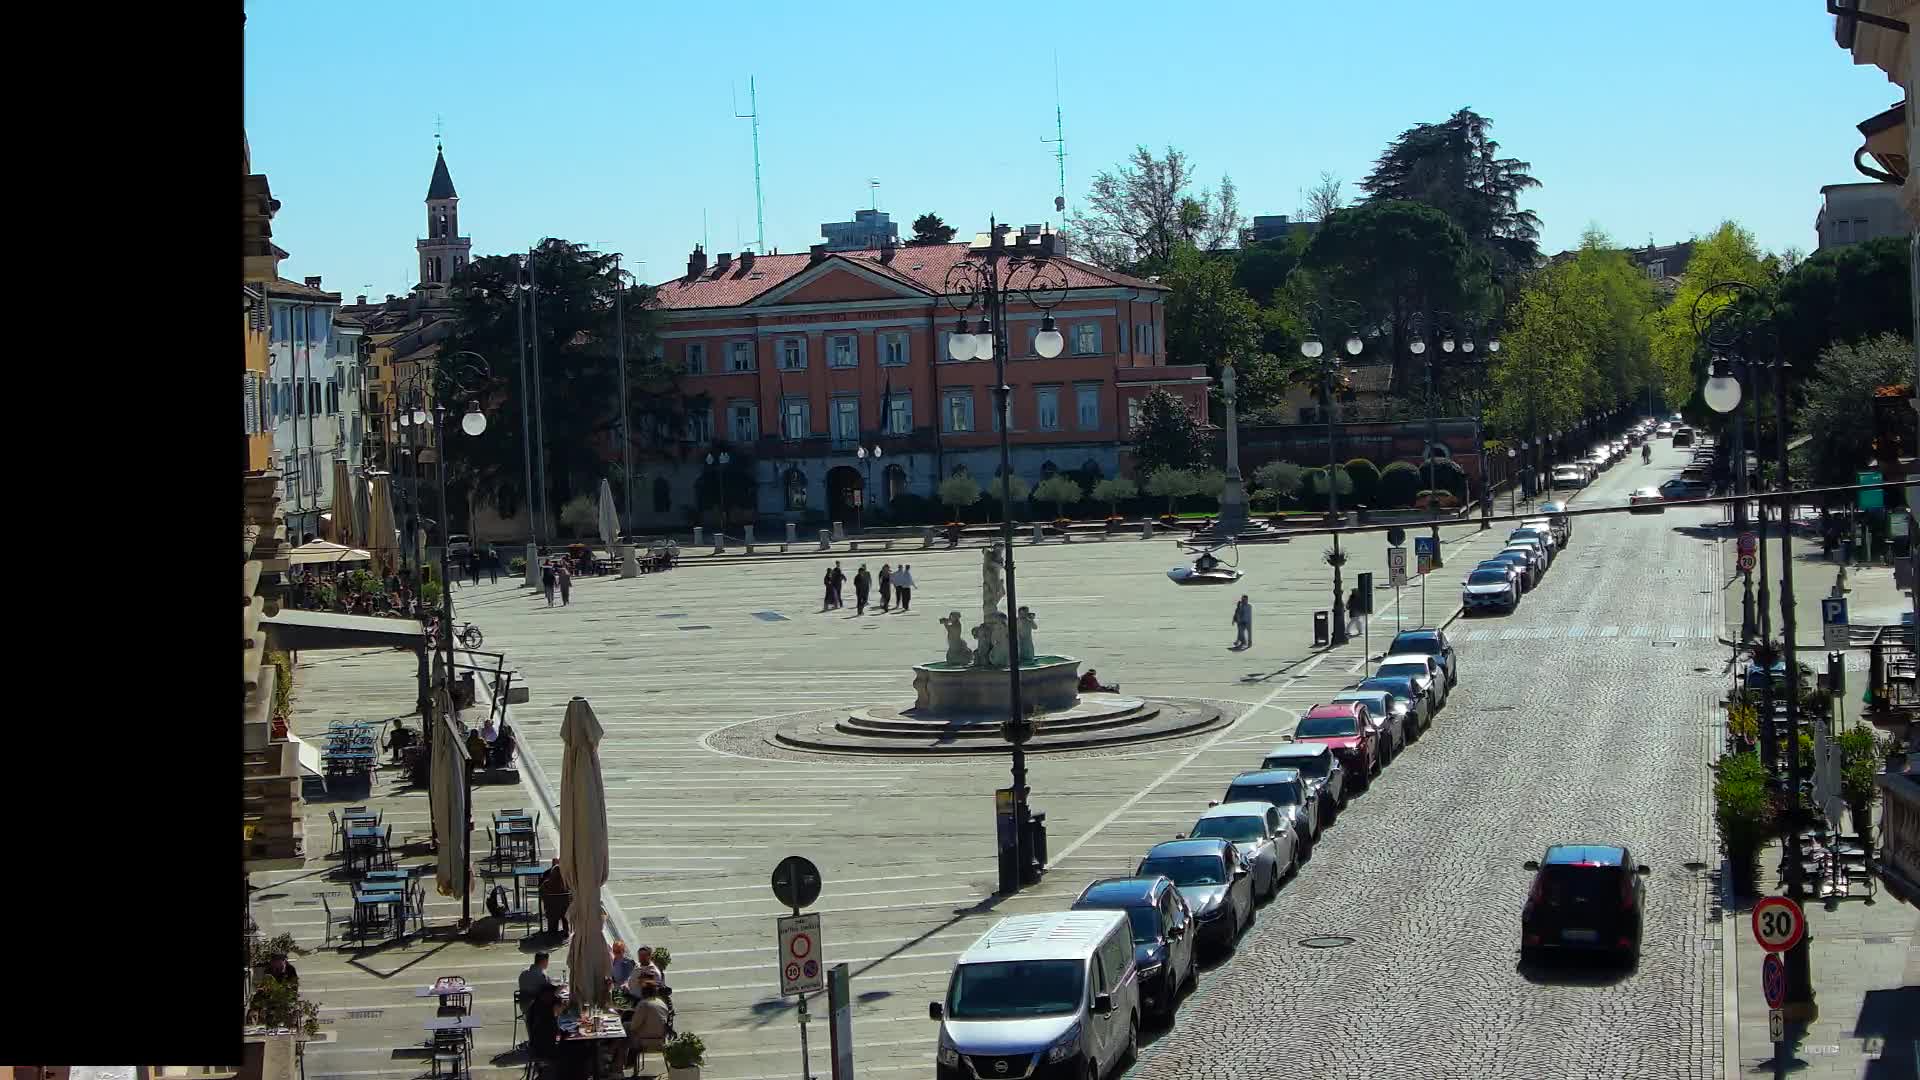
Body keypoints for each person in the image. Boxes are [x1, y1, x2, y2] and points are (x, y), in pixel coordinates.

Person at [614, 982, 672, 1075]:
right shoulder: (661, 1002)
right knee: (626, 1029)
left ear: (644, 992)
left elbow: (634, 1026)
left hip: (645, 1040)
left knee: (623, 1033)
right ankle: (625, 1061)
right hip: (661, 1039)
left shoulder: (644, 1004)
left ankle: (618, 1067)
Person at [539, 858, 571, 937]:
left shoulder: (546, 884)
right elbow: (571, 895)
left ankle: (552, 932)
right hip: (564, 911)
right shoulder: (566, 885)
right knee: (563, 910)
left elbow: (541, 893)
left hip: (551, 910)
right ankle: (566, 930)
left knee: (553, 913)